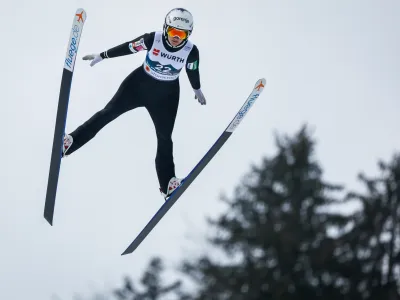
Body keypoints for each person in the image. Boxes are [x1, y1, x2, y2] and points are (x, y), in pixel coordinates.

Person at [62, 8, 206, 199]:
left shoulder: (191, 51)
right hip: (138, 86)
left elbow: (192, 70)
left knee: (165, 138)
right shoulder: (152, 39)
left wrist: (196, 88)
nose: (176, 37)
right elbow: (129, 47)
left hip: (166, 96)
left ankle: (167, 185)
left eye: (181, 34)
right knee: (108, 113)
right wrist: (103, 55)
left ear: (188, 34)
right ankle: (69, 143)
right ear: (165, 28)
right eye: (172, 31)